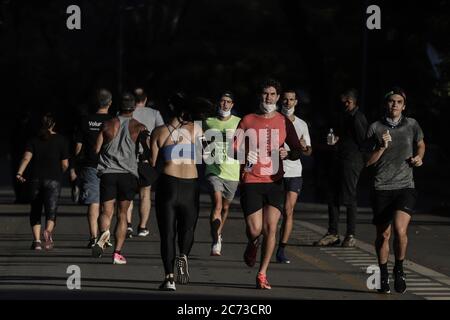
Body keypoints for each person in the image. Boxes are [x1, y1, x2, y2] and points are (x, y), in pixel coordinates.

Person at [234, 79, 303, 289]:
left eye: (272, 94)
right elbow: (232, 149)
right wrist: (245, 154)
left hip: (275, 182)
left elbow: (298, 150)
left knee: (271, 228)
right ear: (260, 96)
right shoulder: (247, 120)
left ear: (278, 97)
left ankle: (262, 273)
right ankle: (252, 242)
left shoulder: (284, 122)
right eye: (265, 94)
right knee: (255, 229)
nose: (268, 98)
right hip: (252, 180)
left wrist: (288, 153)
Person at [150, 93, 212, 291]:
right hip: (190, 185)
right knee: (188, 228)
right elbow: (209, 155)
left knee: (167, 233)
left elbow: (152, 164)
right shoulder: (197, 131)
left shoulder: (159, 132)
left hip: (168, 184)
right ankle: (183, 254)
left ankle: (169, 278)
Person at [366, 87, 425, 294]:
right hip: (381, 186)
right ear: (386, 104)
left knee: (400, 230)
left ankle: (399, 269)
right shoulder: (374, 127)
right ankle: (383, 274)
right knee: (383, 235)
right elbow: (367, 162)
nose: (395, 105)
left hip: (405, 186)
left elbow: (421, 144)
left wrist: (419, 157)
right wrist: (381, 147)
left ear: (404, 106)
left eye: (399, 102)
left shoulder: (412, 124)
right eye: (391, 101)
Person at [91, 93, 147, 265]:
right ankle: (117, 253)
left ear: (118, 106)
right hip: (128, 174)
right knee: (123, 215)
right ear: (134, 108)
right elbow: (145, 151)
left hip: (108, 173)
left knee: (105, 212)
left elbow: (96, 149)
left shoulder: (107, 124)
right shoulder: (139, 127)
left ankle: (103, 234)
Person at [314, 89, 368, 247]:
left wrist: (360, 162)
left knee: (349, 197)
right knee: (332, 196)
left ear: (352, 102)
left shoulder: (357, 117)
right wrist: (337, 140)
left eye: (347, 101)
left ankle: (350, 234)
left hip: (351, 161)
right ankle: (333, 233)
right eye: (343, 101)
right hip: (339, 159)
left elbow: (363, 141)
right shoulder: (343, 115)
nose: (344, 104)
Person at [16, 113, 69, 250]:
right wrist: (59, 173)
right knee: (51, 210)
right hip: (53, 179)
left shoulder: (33, 140)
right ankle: (48, 232)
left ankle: (37, 241)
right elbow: (65, 164)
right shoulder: (61, 140)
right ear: (54, 124)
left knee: (35, 209)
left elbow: (26, 158)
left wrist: (20, 172)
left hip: (35, 179)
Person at [71, 89, 113, 247]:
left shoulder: (85, 120)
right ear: (110, 103)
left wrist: (75, 164)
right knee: (107, 202)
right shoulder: (113, 120)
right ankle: (105, 235)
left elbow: (77, 146)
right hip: (110, 165)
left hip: (90, 165)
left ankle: (93, 237)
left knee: (93, 202)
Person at [276, 89, 312, 263]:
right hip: (274, 170)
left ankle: (281, 249)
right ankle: (265, 239)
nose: (288, 103)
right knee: (273, 213)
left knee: (288, 211)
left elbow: (308, 151)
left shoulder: (302, 124)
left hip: (294, 172)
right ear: (279, 101)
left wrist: (305, 147)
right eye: (285, 100)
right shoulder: (274, 120)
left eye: (291, 100)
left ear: (296, 102)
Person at [203, 91, 241, 256]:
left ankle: (219, 233)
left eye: (228, 101)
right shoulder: (208, 122)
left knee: (225, 207)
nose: (224, 104)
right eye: (222, 101)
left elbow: (246, 143)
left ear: (232, 105)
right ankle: (215, 240)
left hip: (232, 171)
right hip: (213, 169)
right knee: (217, 204)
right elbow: (199, 138)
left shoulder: (239, 122)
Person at [125, 88, 164, 238]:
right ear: (146, 99)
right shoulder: (154, 114)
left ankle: (127, 224)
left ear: (133, 100)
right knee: (145, 194)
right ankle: (142, 227)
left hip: (128, 159)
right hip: (146, 158)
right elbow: (161, 132)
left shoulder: (126, 113)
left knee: (127, 194)